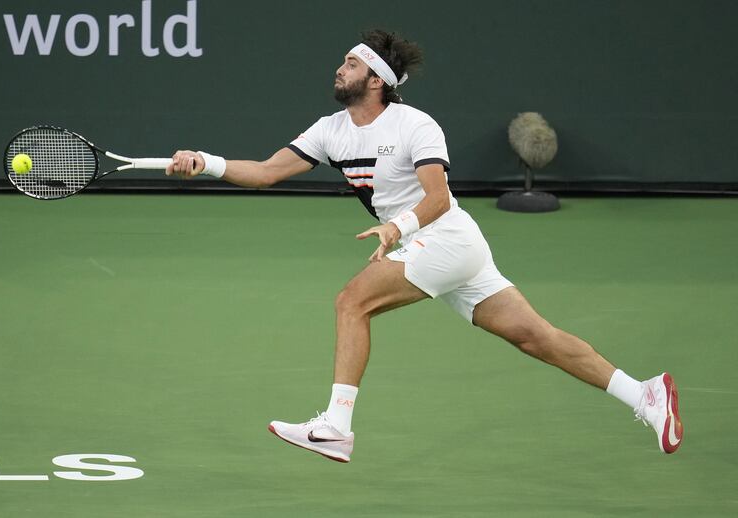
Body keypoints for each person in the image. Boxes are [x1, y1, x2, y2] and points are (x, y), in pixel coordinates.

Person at [165, 29, 682, 463]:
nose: (338, 69)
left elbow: (437, 198)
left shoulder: (415, 125)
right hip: (450, 248)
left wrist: (395, 229)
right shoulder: (331, 130)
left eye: (350, 63)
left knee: (352, 301)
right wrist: (205, 161)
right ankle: (645, 395)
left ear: (376, 80)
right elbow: (266, 171)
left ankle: (336, 426)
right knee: (534, 337)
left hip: (444, 237)